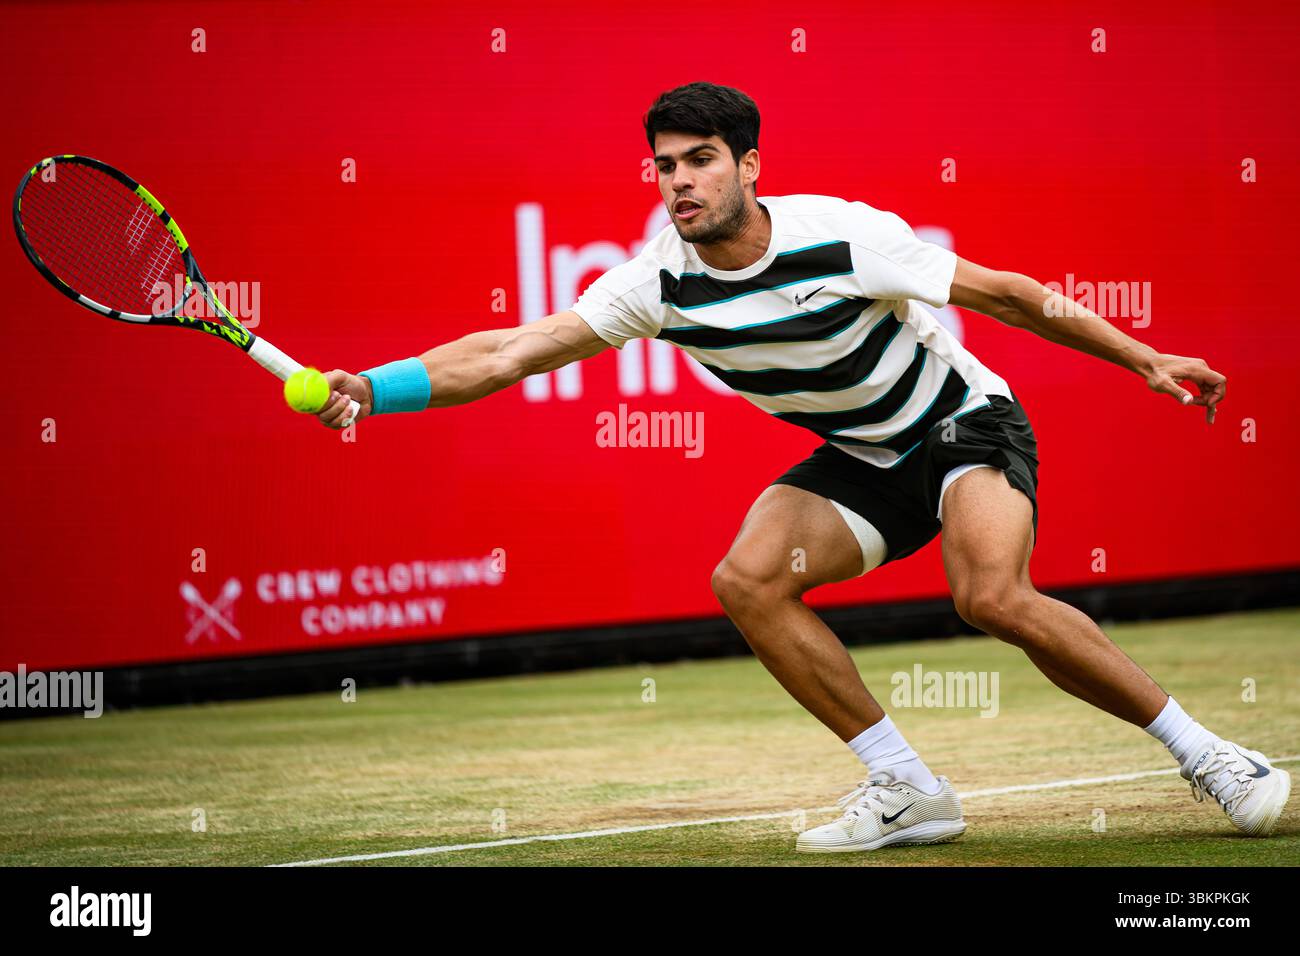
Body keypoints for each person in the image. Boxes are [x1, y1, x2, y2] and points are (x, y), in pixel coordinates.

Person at [313, 81, 1288, 852]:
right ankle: (907, 787)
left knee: (989, 594)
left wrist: (1144, 356)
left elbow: (1013, 296)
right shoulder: (654, 279)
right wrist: (375, 385)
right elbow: (504, 353)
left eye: (700, 161)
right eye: (663, 167)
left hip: (959, 424)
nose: (679, 182)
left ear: (749, 165)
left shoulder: (846, 235)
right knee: (746, 580)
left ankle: (1214, 757)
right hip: (863, 455)